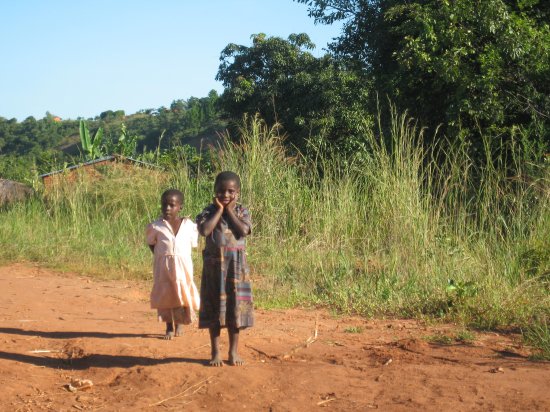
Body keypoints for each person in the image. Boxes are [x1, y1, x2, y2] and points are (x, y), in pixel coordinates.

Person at [196, 171, 254, 366]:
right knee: (215, 310)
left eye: (230, 191)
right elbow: (205, 230)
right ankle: (215, 352)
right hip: (214, 269)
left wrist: (229, 211)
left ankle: (233, 351)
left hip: (236, 269)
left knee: (234, 310)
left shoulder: (242, 211)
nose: (226, 195)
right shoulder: (208, 212)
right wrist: (220, 210)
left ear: (237, 192)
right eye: (221, 191)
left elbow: (244, 230)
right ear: (215, 191)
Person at [146, 189, 200, 340]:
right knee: (166, 296)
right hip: (163, 268)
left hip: (183, 268)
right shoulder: (156, 226)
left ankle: (180, 323)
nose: (167, 208)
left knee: (181, 293)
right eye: (164, 205)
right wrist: (162, 256)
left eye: (172, 205)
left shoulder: (189, 226)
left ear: (180, 207)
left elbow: (192, 245)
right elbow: (152, 244)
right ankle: (169, 326)